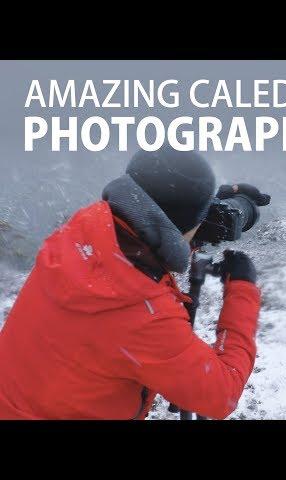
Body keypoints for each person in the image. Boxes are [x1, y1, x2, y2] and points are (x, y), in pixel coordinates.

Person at [0, 145, 261, 419]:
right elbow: (221, 394)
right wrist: (243, 290)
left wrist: (196, 209)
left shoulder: (84, 228)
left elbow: (142, 241)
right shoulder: (141, 314)